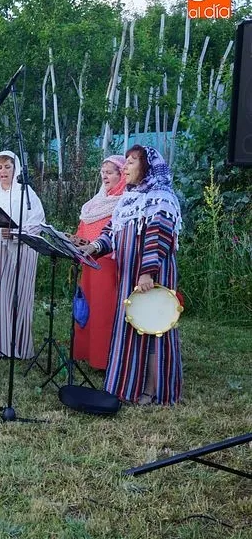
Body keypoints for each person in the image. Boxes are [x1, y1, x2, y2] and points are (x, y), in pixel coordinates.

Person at [82, 145, 183, 405]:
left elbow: (159, 235)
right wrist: (93, 247)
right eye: (125, 162)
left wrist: (147, 273)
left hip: (152, 277)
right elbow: (112, 232)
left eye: (131, 162)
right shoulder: (129, 198)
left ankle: (153, 390)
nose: (125, 167)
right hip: (129, 276)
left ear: (146, 167)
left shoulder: (161, 196)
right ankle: (129, 385)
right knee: (132, 328)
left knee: (153, 327)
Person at [0, 151, 45, 359]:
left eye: (8, 166)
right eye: (0, 167)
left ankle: (14, 345)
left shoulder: (26, 193)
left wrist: (15, 232)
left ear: (16, 169)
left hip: (21, 251)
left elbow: (38, 223)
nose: (3, 171)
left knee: (16, 296)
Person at [70, 155, 126, 370]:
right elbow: (82, 232)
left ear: (121, 176)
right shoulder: (93, 205)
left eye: (110, 172)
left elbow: (118, 238)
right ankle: (88, 353)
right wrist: (75, 240)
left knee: (105, 312)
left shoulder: (125, 203)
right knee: (88, 309)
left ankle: (105, 359)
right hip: (89, 266)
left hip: (109, 268)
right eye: (103, 172)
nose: (105, 176)